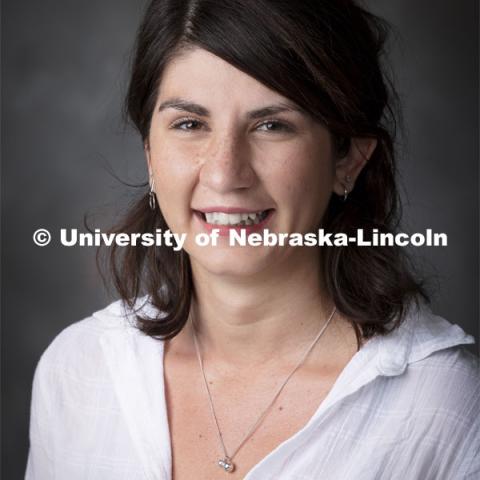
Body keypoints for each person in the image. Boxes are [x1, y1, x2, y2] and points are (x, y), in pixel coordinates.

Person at [26, 1, 479, 479]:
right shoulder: (76, 370)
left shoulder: (444, 408)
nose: (225, 174)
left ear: (348, 159)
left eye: (272, 125)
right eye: (190, 124)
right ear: (151, 155)